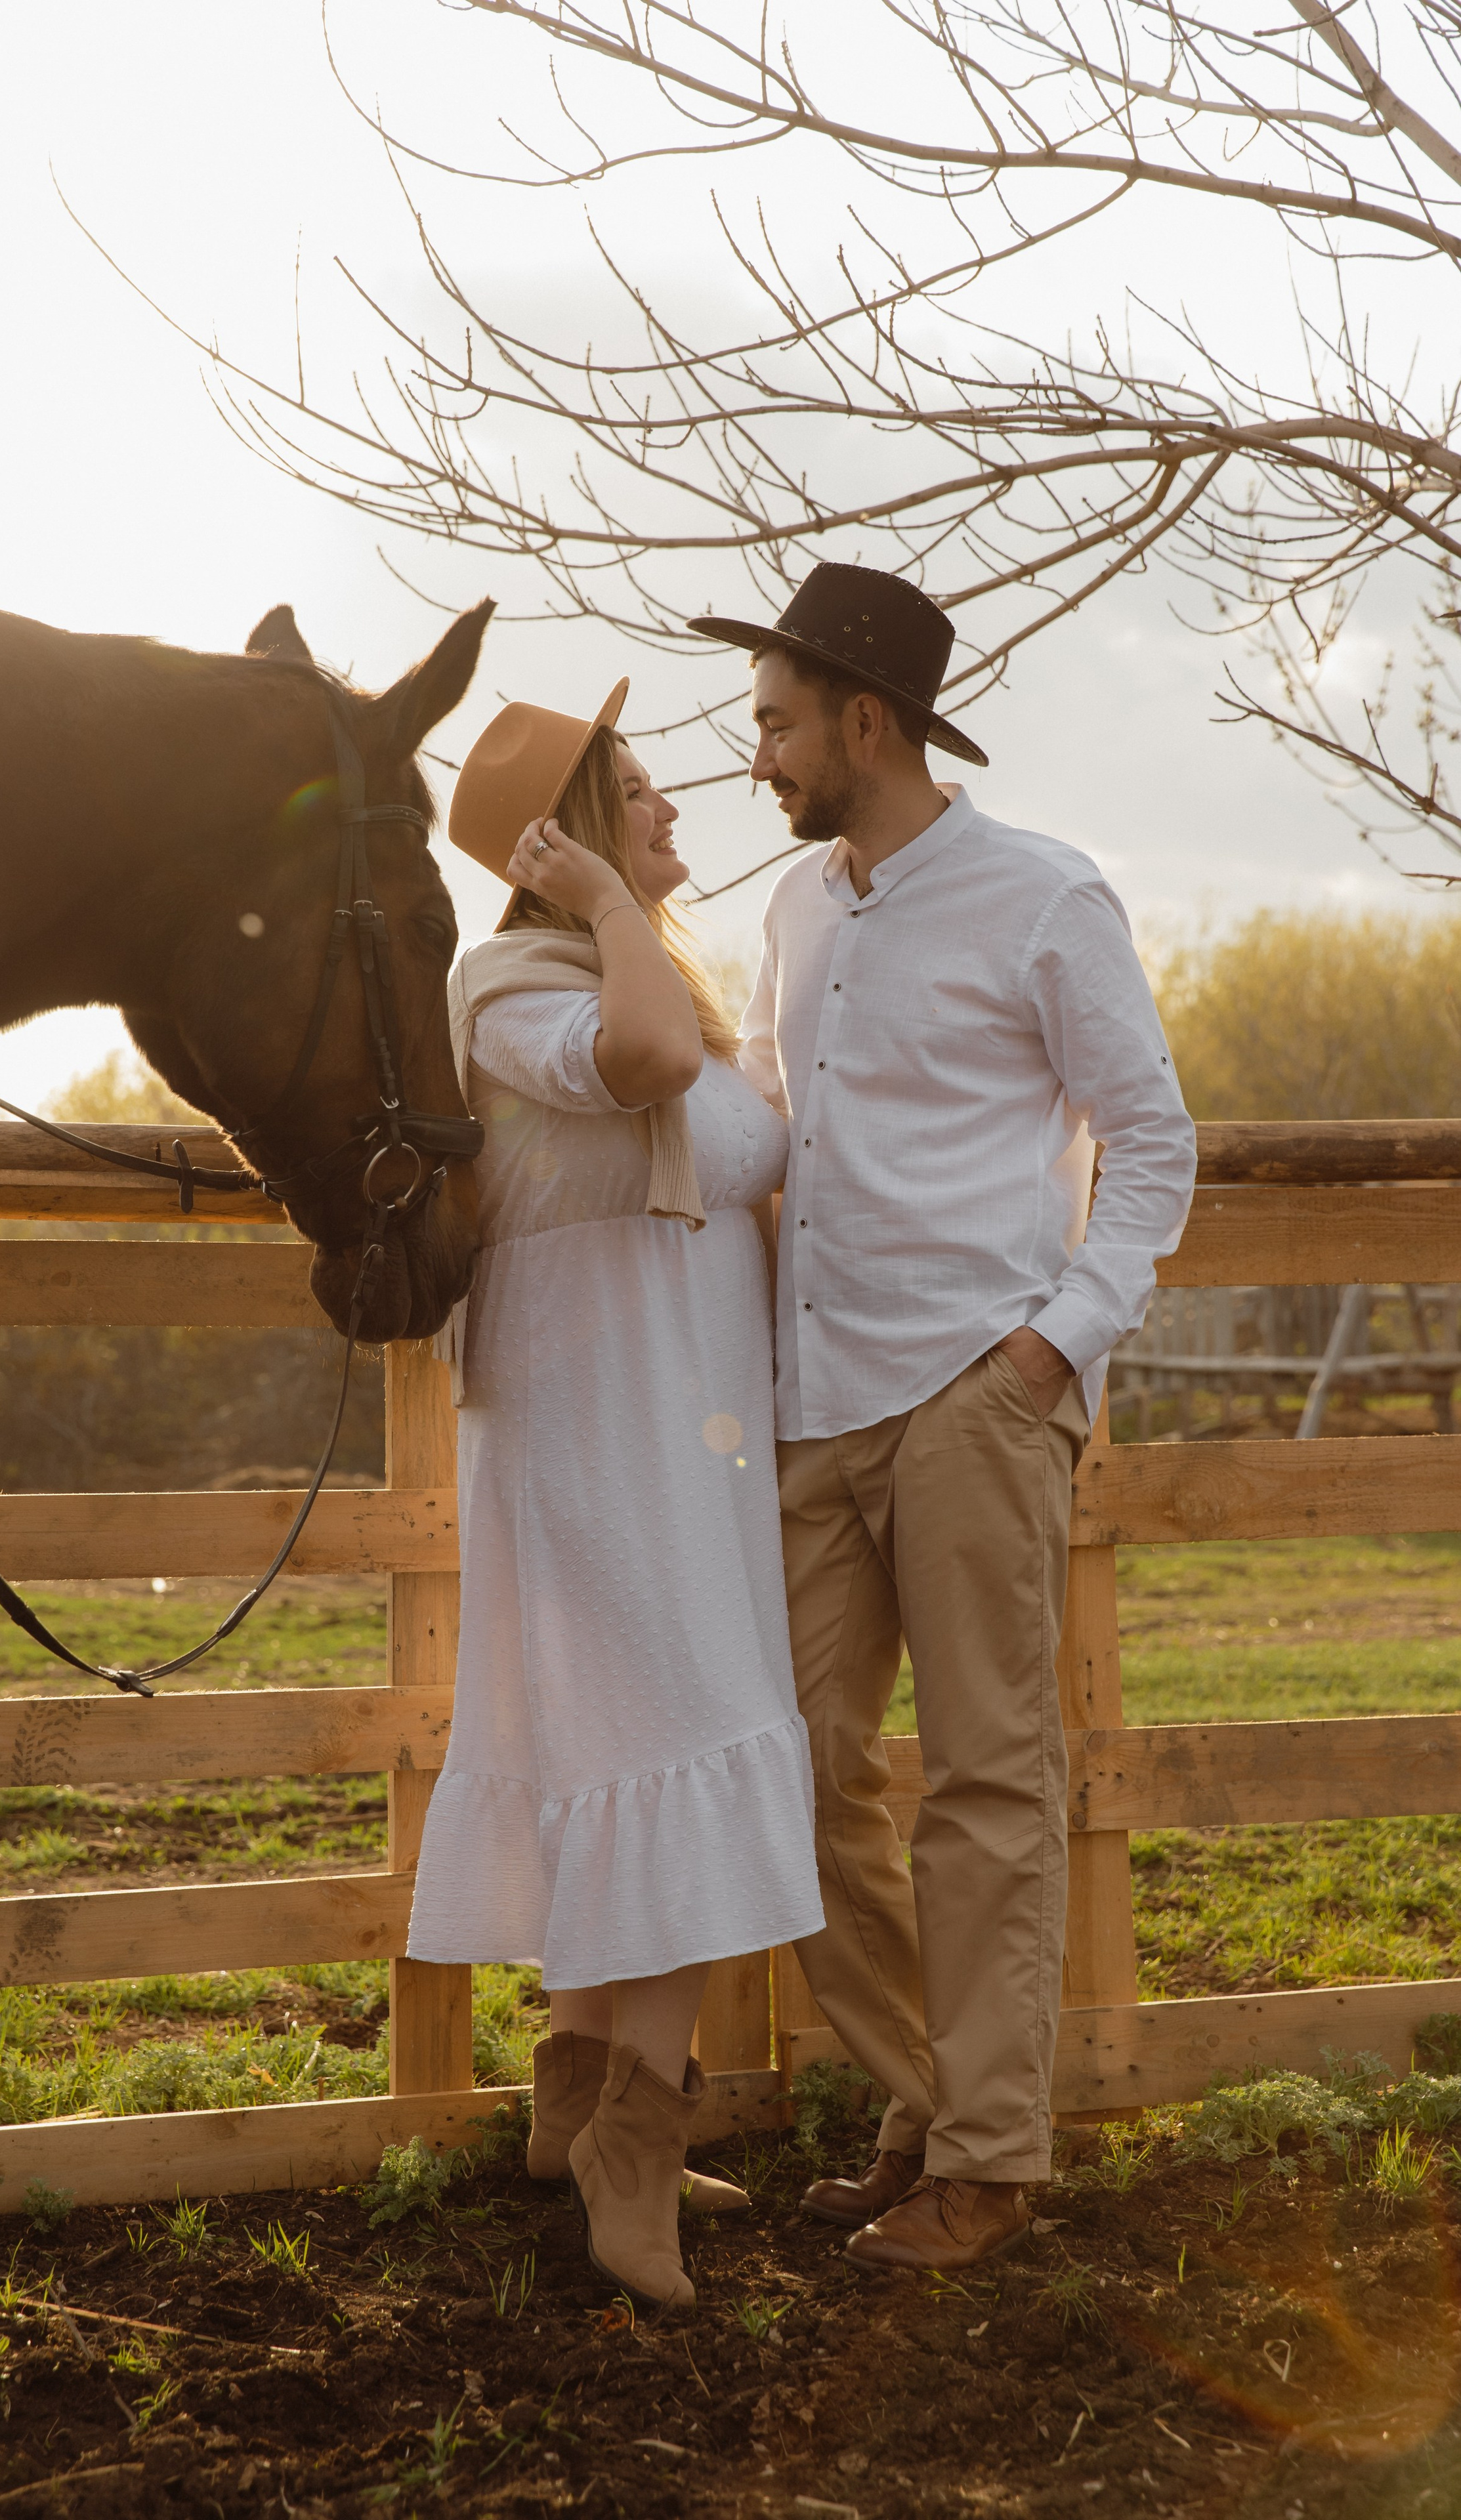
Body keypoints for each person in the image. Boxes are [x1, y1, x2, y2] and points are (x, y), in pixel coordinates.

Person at [687, 562, 1196, 2273]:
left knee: (986, 1785)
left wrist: (1057, 1347)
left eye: (774, 722)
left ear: (865, 721)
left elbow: (1153, 1138)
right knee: (799, 1773)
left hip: (981, 1389)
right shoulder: (794, 913)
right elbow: (776, 1137)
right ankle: (930, 2095)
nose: (755, 753)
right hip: (814, 1405)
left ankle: (988, 2166)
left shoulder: (1046, 899)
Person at [406, 678, 824, 2311]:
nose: (669, 811)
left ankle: (576, 2106)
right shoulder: (505, 983)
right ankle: (629, 2151)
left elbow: (726, 1118)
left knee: (640, 1746)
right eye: (634, 795)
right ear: (562, 840)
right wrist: (588, 904)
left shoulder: (641, 971)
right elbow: (642, 1063)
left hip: (685, 1436)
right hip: (596, 1436)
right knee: (684, 1741)